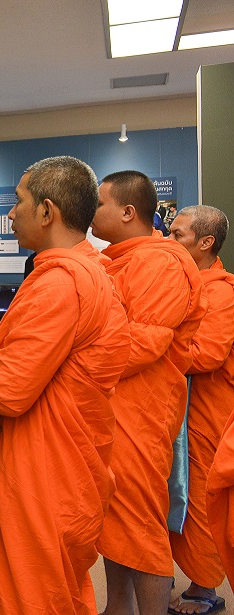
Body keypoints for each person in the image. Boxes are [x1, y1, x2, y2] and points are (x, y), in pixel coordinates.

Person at [0, 156, 130, 614]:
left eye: (18, 201)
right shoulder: (89, 272)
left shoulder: (61, 283)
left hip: (44, 471)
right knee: (56, 588)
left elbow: (10, 392)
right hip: (62, 462)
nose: (10, 213)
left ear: (47, 211)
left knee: (36, 595)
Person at [91, 170, 205, 615]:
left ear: (127, 211)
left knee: (140, 524)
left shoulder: (160, 262)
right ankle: (116, 609)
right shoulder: (121, 260)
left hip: (141, 411)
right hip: (114, 408)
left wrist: (73, 364)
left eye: (99, 203)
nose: (92, 212)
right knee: (117, 520)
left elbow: (142, 342)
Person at [167, 206, 233, 615]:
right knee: (175, 493)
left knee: (202, 497)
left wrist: (156, 341)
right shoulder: (184, 282)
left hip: (210, 411)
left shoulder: (222, 291)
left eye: (178, 235)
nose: (169, 242)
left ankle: (205, 588)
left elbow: (206, 354)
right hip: (178, 406)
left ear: (206, 243)